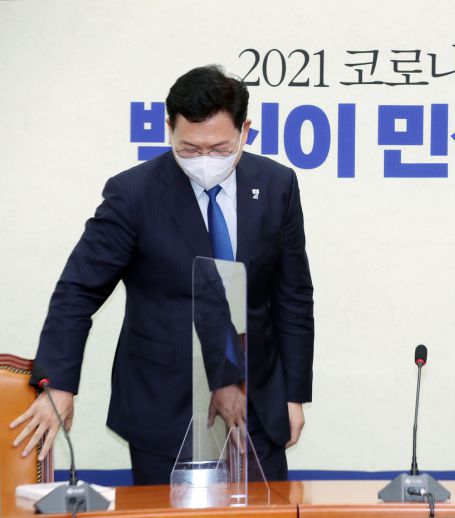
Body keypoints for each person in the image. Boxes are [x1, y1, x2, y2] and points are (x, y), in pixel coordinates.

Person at [10, 65, 314, 484]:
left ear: (245, 131)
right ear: (169, 128)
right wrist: (59, 383)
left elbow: (293, 295)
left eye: (219, 148)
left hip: (257, 402)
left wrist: (293, 394)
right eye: (189, 148)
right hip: (166, 404)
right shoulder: (134, 194)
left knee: (265, 509)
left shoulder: (277, 185)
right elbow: (78, 290)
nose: (205, 160)